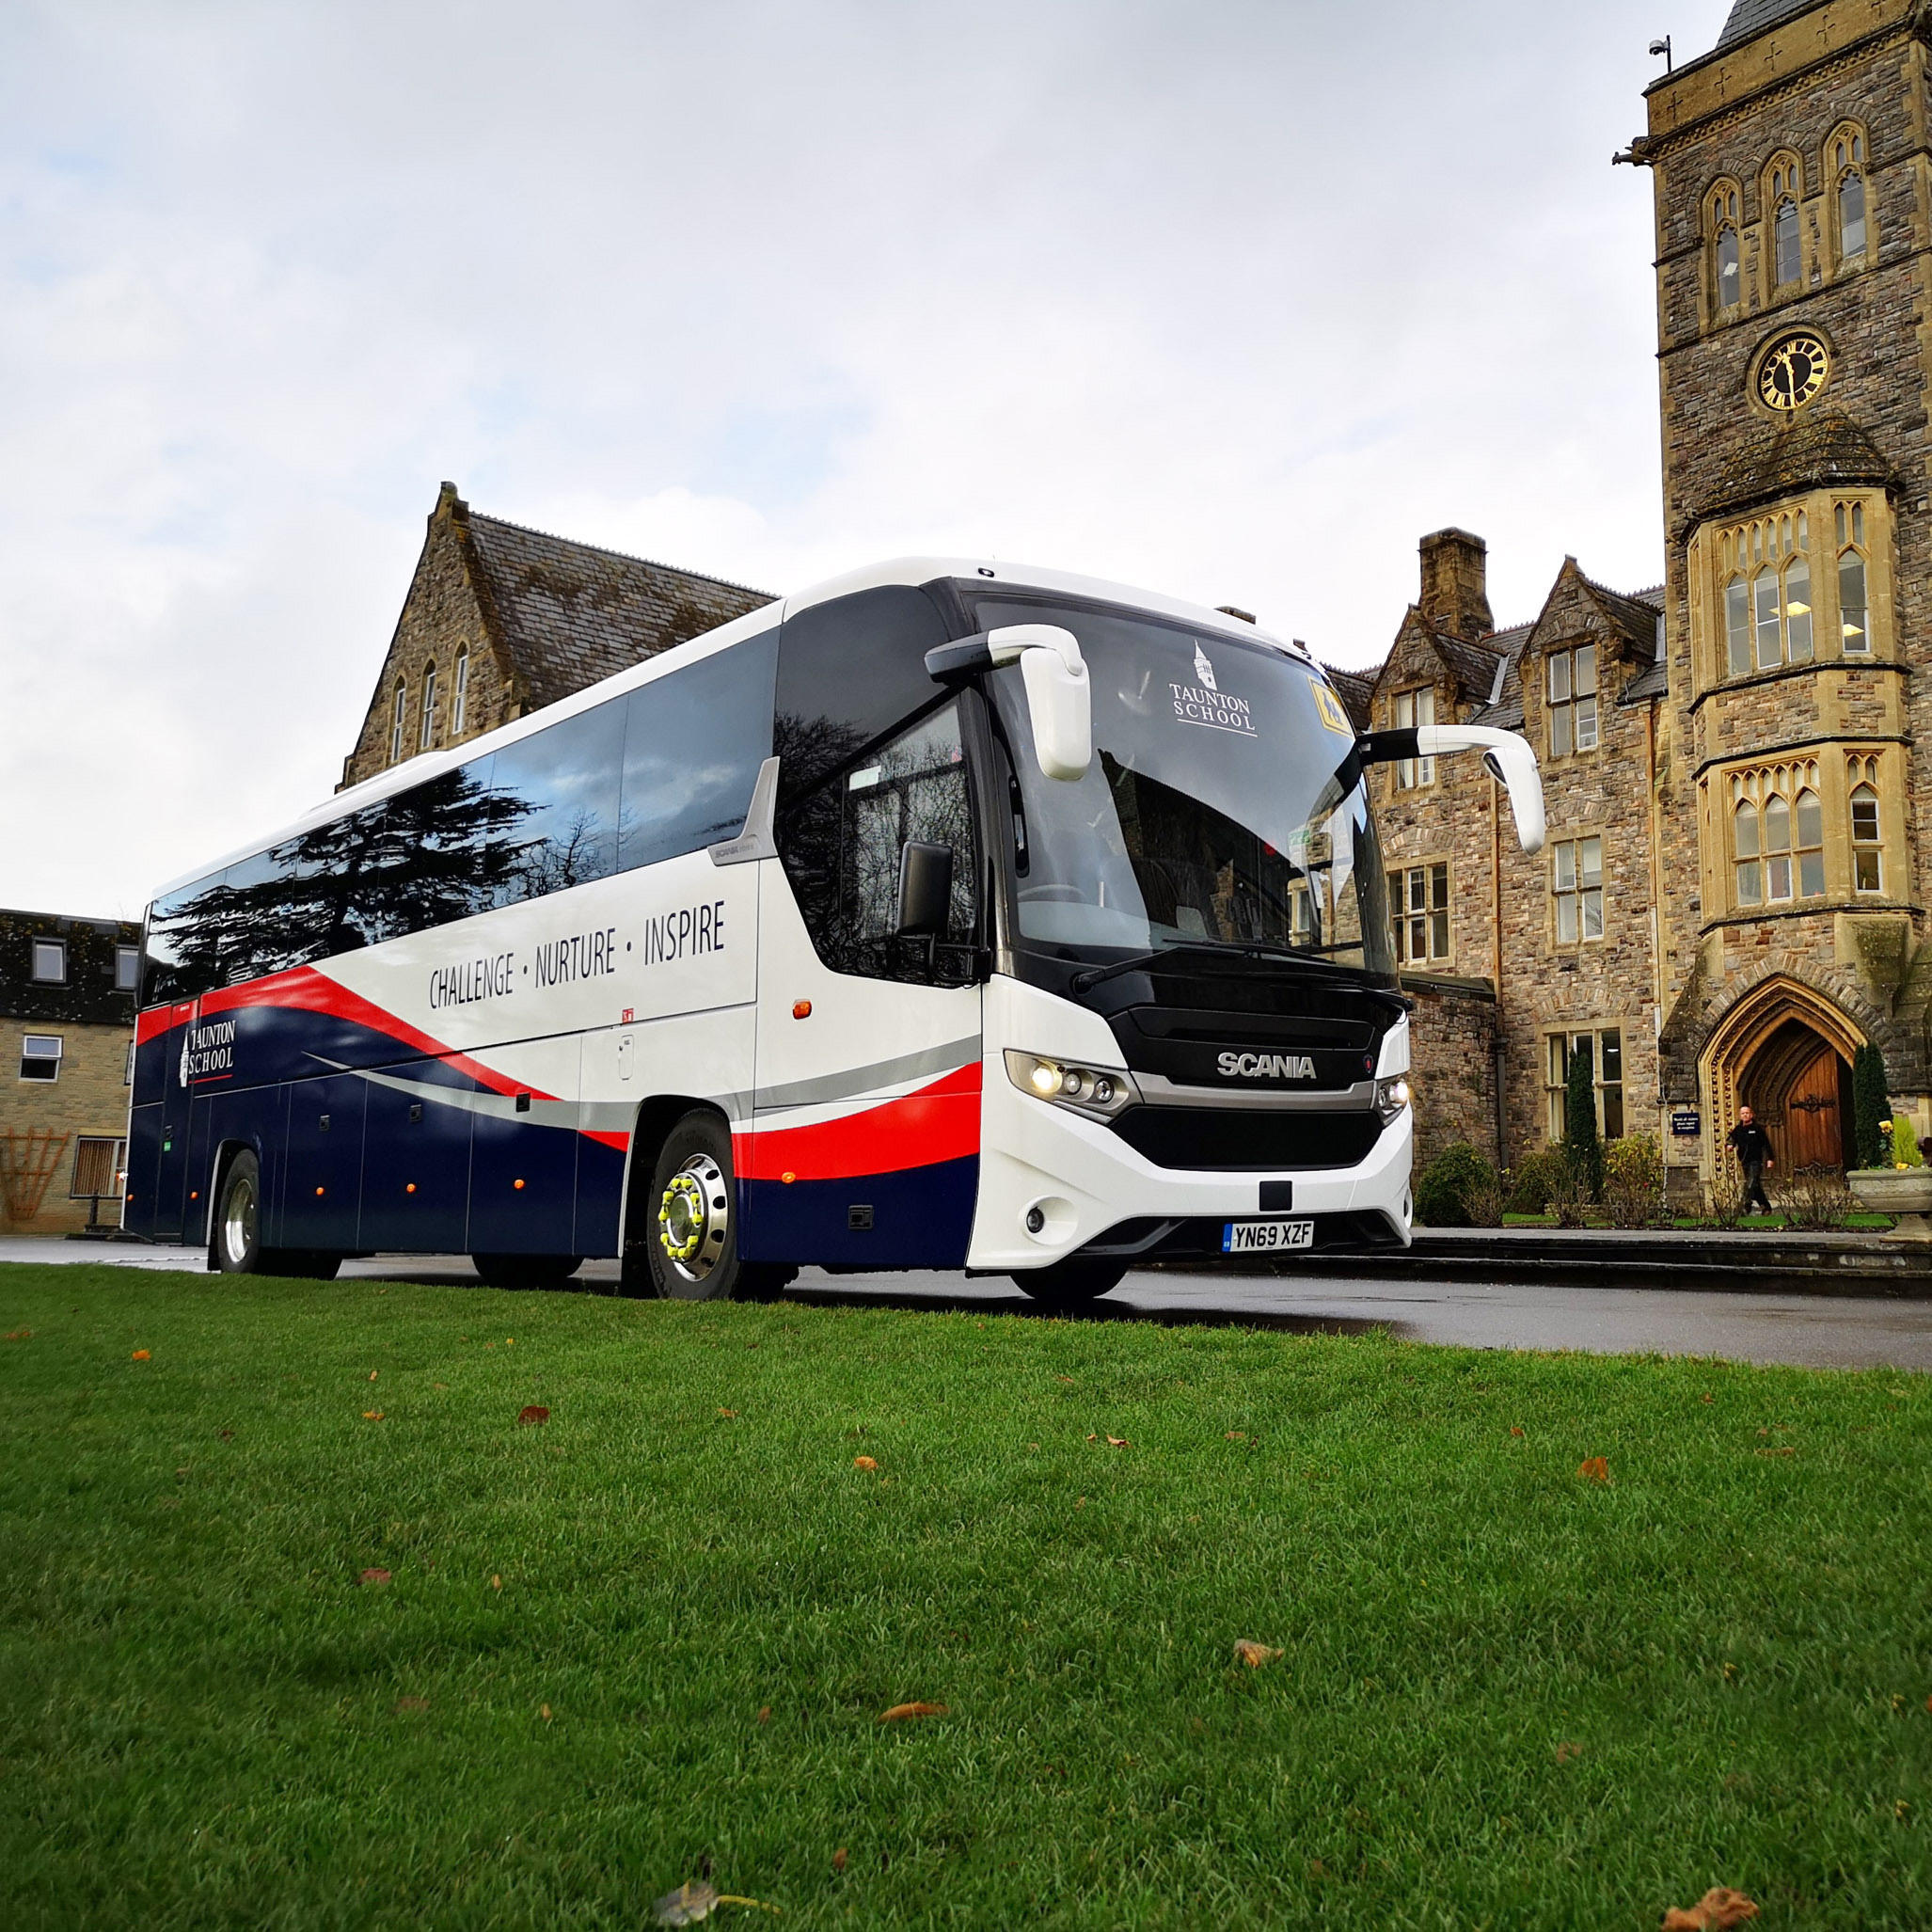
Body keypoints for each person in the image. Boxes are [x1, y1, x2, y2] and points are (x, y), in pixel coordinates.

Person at [1726, 1104, 1775, 1215]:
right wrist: (1730, 1145)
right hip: (1744, 1161)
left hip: (1756, 1161)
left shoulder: (1757, 1129)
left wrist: (1770, 1158)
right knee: (1755, 1185)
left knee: (1751, 1183)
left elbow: (1766, 1144)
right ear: (1740, 1116)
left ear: (1751, 1115)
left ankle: (1745, 1206)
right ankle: (1766, 1207)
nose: (1745, 1115)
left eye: (1747, 1113)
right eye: (1743, 1113)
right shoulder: (1738, 1130)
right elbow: (1730, 1140)